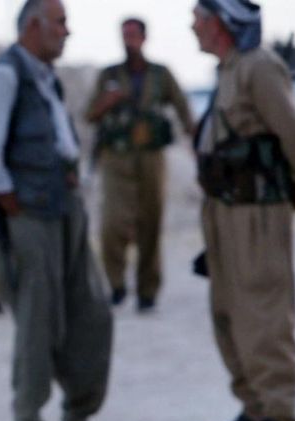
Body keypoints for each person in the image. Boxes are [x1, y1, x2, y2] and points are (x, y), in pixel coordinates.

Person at [0, 0, 123, 421]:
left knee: (92, 313)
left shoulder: (43, 75)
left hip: (64, 208)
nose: (67, 32)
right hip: (31, 215)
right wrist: (14, 204)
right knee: (38, 321)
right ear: (34, 25)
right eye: (60, 23)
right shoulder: (6, 75)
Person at [191, 0, 295, 421]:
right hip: (224, 209)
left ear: (219, 24)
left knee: (263, 310)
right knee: (228, 310)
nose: (192, 26)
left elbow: (294, 132)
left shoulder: (259, 67)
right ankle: (255, 407)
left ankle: (281, 417)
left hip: (255, 212)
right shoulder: (229, 69)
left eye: (198, 17)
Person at [86, 17, 195, 312]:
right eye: (124, 35)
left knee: (151, 222)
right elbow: (89, 114)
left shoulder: (160, 75)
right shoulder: (109, 75)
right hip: (116, 158)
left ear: (144, 38)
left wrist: (196, 140)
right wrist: (109, 101)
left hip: (150, 157)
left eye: (133, 35)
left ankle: (148, 291)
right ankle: (116, 284)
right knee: (113, 224)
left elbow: (184, 109)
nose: (128, 40)